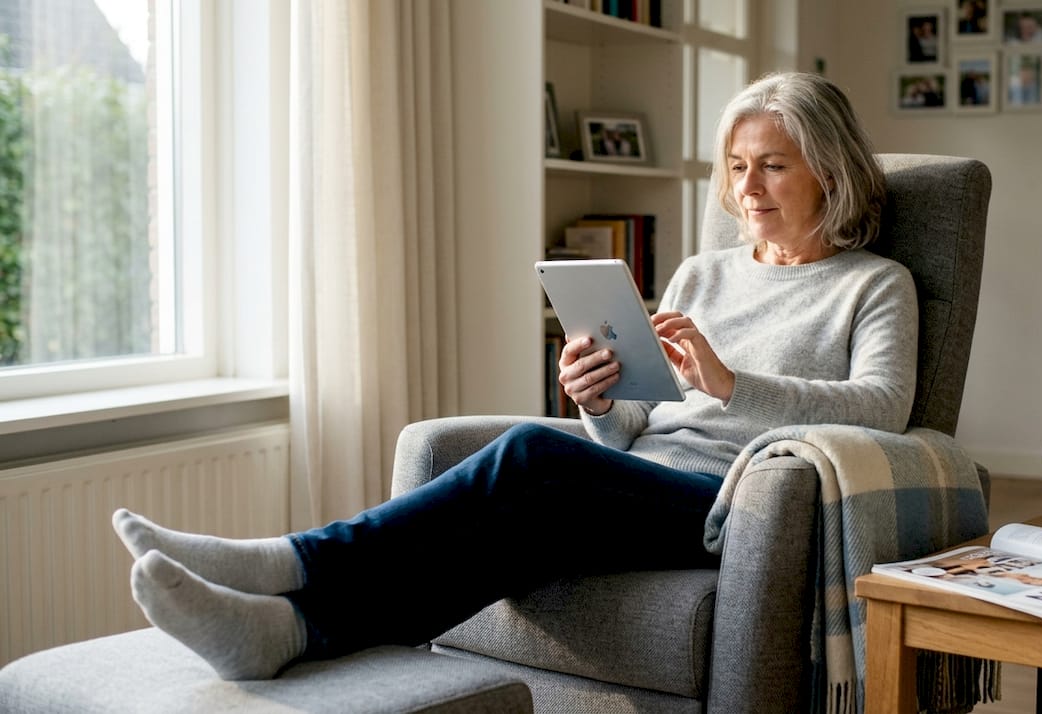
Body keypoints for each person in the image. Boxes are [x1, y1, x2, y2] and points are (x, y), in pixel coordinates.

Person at [110, 71, 919, 682]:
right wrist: (599, 395)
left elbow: (884, 409)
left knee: (530, 455)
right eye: (737, 167)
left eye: (772, 166)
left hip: (737, 502)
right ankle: (288, 632)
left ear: (829, 169)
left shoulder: (875, 284)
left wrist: (732, 383)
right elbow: (635, 421)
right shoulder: (704, 274)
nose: (746, 189)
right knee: (506, 532)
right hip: (639, 478)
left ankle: (296, 561)